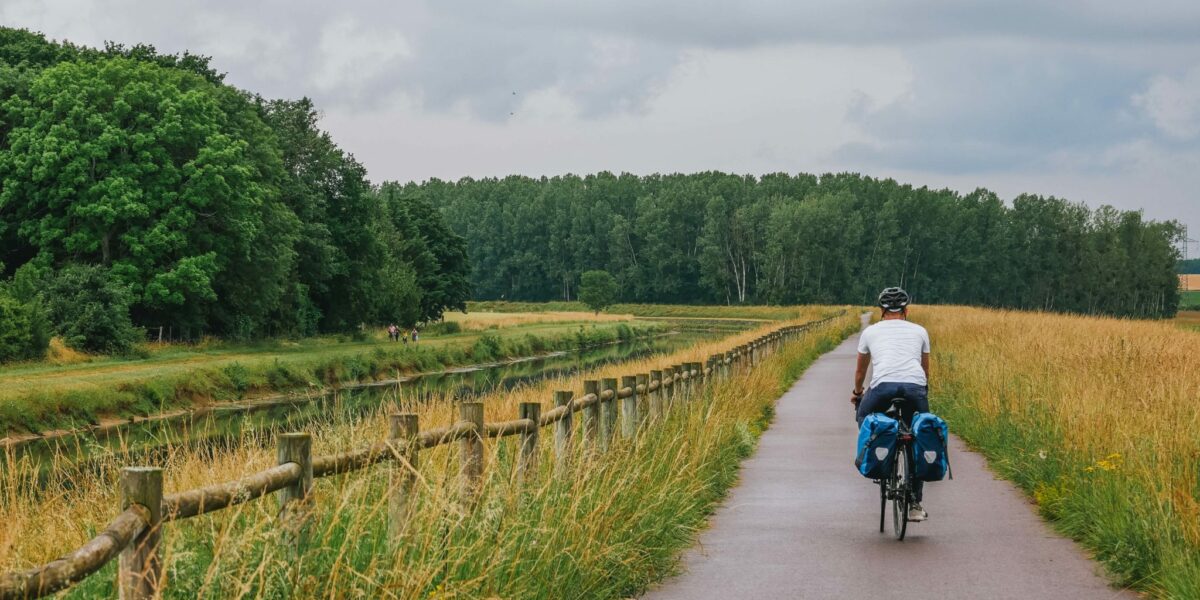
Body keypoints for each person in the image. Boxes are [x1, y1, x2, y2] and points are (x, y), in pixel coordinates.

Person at [852, 286, 932, 522]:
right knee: (918, 435)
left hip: (883, 387)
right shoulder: (920, 331)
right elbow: (925, 369)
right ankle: (915, 503)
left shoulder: (870, 332)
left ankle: (879, 456)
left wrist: (857, 393)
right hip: (914, 388)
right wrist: (922, 391)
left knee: (864, 417)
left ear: (881, 311)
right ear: (906, 310)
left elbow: (860, 371)